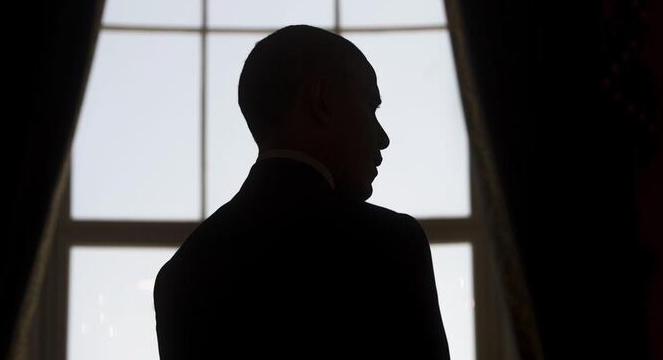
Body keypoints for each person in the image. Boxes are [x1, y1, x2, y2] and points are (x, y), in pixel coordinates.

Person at [154, 25, 450, 359]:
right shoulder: (390, 244)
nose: (382, 138)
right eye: (371, 106)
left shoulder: (180, 276)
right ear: (321, 99)